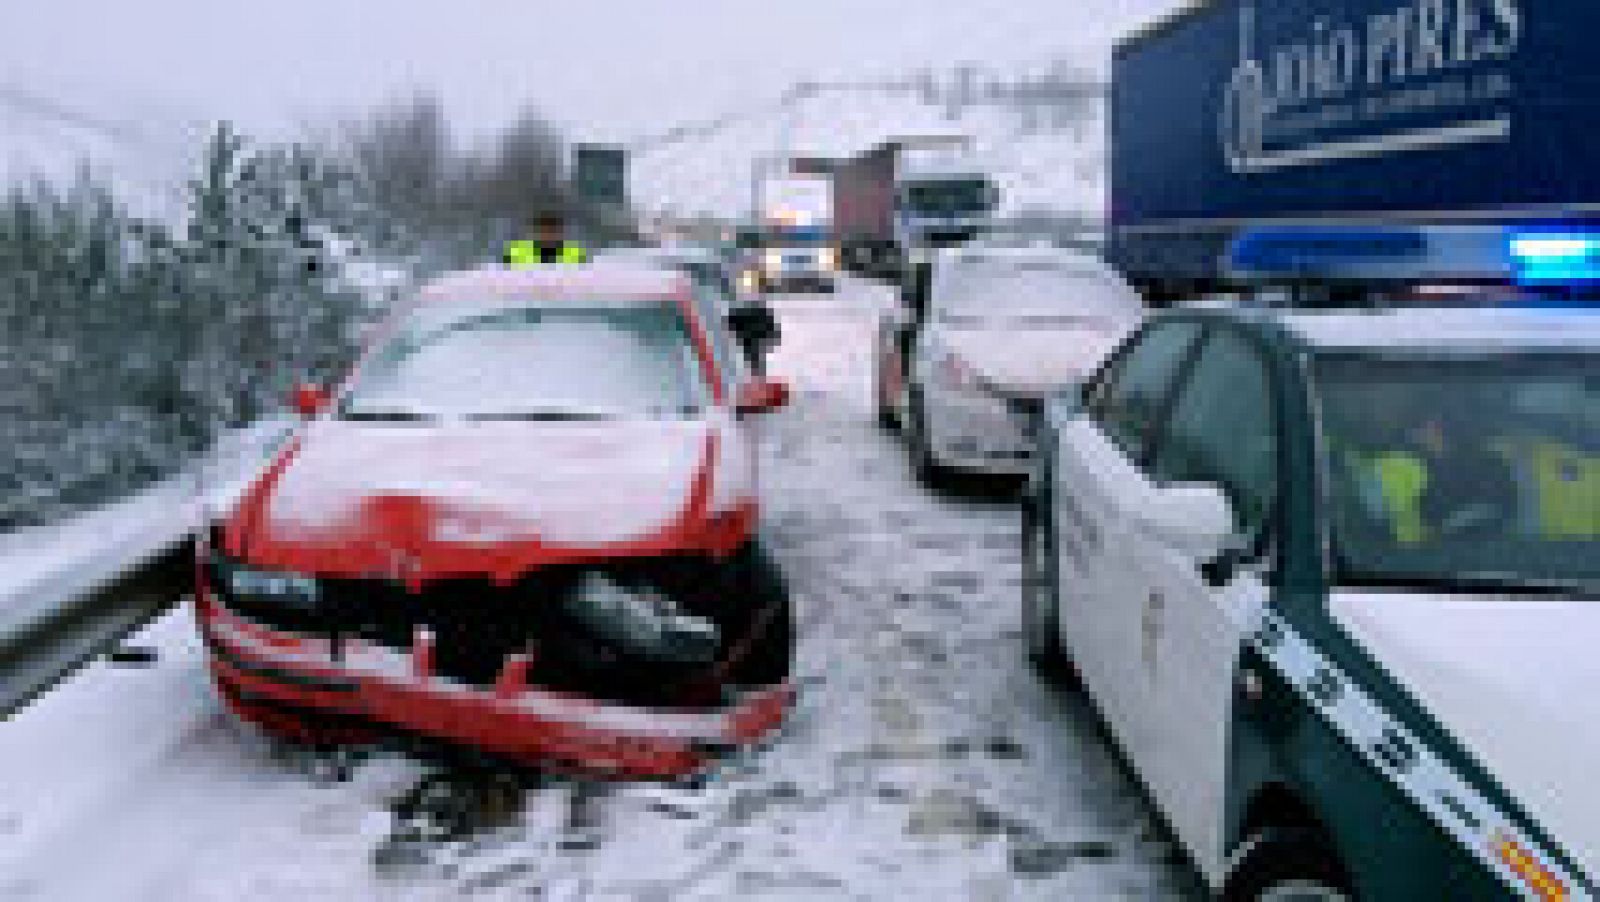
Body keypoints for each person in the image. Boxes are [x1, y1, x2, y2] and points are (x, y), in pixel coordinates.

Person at [504, 212, 588, 266]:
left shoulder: (574, 253)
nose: (547, 235)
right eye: (543, 231)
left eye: (552, 231)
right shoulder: (518, 251)